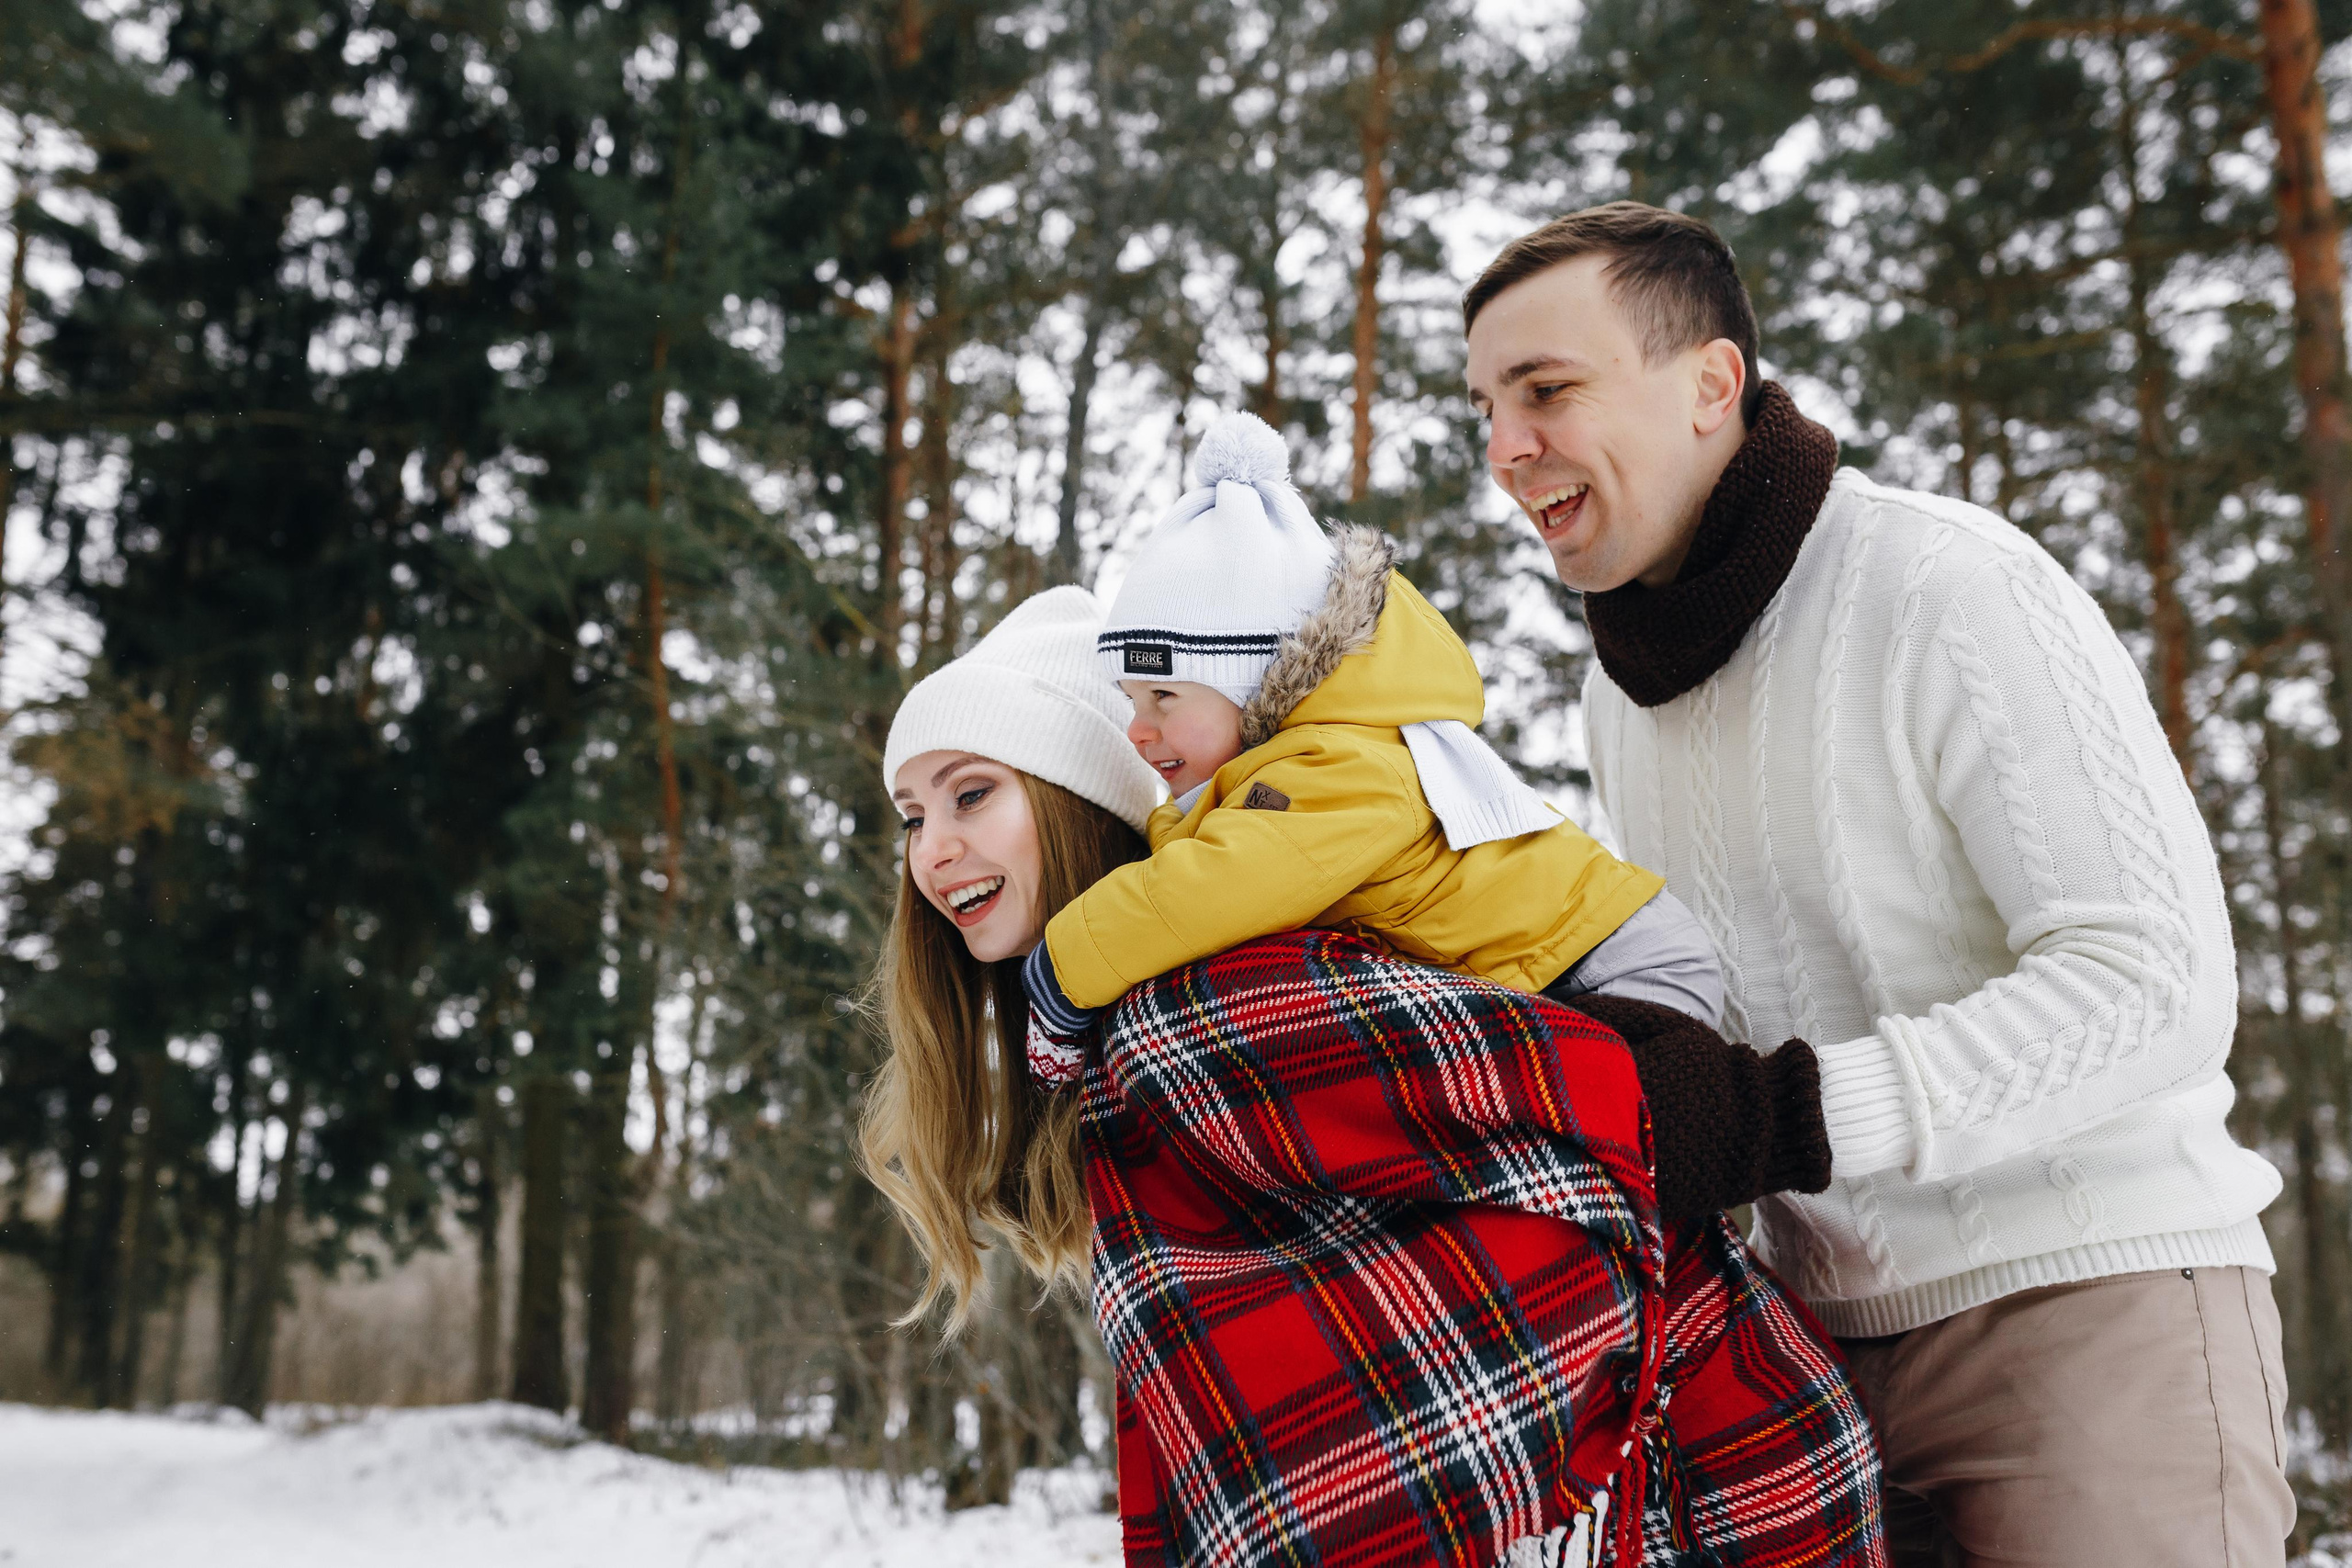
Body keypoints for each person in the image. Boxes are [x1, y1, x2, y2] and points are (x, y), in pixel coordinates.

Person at [1464, 200, 2293, 1564]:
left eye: (1547, 390)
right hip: (1809, 1355)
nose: (1506, 450)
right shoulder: (1626, 697)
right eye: (1486, 406)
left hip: (2091, 1314)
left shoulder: (1946, 585)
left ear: (1711, 386)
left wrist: (1789, 1109)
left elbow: (2159, 982)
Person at [861, 585, 1885, 1568]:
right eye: (911, 814)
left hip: (1697, 1486)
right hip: (1635, 1483)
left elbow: (1639, 1123)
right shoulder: (1131, 1062)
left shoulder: (1211, 1000)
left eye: (973, 794)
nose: (933, 850)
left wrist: (1838, 1105)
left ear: (1079, 804)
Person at [1018, 407, 1727, 1092]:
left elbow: (1208, 887)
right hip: (1556, 971)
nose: (1139, 729)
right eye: (1133, 700)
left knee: (1584, 1151)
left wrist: (1064, 969)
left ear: (1259, 680)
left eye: (1165, 697)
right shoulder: (1288, 776)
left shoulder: (1345, 766)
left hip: (1614, 965)